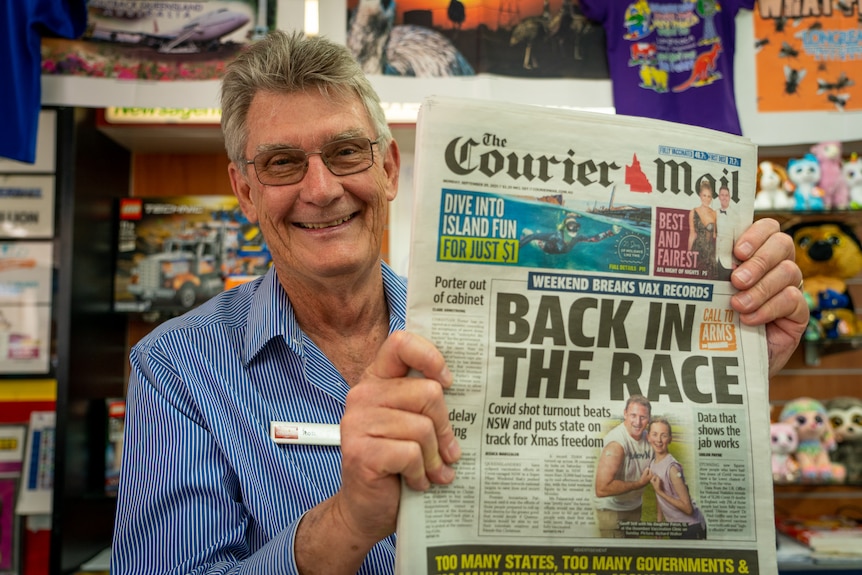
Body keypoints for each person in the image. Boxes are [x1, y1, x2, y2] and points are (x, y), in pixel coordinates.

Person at [112, 29, 808, 575]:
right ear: (245, 190)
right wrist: (348, 523)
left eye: (346, 152)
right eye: (283, 163)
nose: (321, 189)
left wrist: (740, 362)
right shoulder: (176, 370)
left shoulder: (469, 325)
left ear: (387, 170)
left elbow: (617, 509)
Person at [594, 394, 653, 537]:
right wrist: (639, 484)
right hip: (612, 510)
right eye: (633, 415)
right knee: (616, 556)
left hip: (635, 506)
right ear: (625, 414)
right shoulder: (616, 444)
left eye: (643, 417)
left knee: (633, 553)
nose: (637, 422)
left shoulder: (649, 438)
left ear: (649, 419)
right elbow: (601, 489)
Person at [647, 416, 707, 539]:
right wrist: (659, 525)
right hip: (674, 527)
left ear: (670, 439)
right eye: (654, 434)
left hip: (691, 527)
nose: (658, 440)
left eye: (663, 435)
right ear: (648, 437)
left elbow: (688, 509)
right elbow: (660, 498)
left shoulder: (672, 468)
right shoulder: (653, 464)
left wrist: (659, 491)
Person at [519, 211, 620, 255]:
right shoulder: (554, 236)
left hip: (554, 253)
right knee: (528, 233)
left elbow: (594, 239)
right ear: (565, 228)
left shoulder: (578, 238)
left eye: (576, 227)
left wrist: (611, 232)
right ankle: (524, 232)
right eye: (571, 226)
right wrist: (516, 247)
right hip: (542, 247)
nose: (574, 229)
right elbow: (533, 237)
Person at [688, 179, 717, 278]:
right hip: (696, 250)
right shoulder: (693, 211)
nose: (706, 199)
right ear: (700, 195)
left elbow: (715, 235)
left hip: (709, 252)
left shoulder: (714, 214)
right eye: (704, 195)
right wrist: (688, 253)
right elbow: (692, 234)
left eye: (709, 196)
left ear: (711, 198)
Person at [715, 184, 740, 281]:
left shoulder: (735, 216)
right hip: (714, 260)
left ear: (729, 197)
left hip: (727, 262)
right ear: (719, 197)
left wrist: (734, 261)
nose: (724, 198)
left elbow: (736, 238)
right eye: (722, 195)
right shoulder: (714, 213)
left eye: (726, 195)